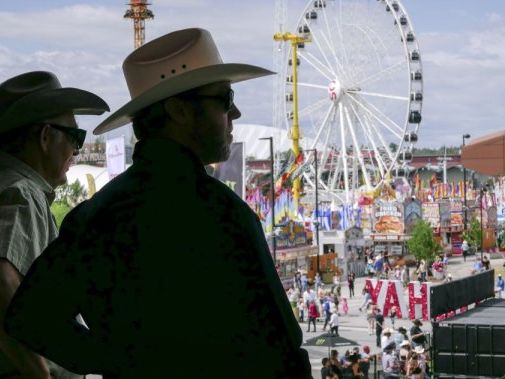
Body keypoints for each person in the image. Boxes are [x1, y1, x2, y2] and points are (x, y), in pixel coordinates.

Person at [5, 29, 312, 379]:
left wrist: (115, 360)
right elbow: (283, 351)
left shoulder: (97, 216)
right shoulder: (221, 214)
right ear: (179, 110)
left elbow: (30, 319)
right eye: (225, 100)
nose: (236, 113)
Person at [0, 71, 109, 379]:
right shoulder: (21, 192)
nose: (77, 150)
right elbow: (2, 284)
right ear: (46, 137)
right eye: (75, 137)